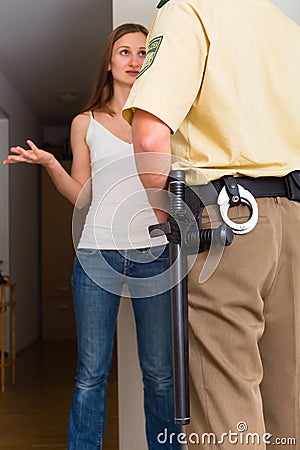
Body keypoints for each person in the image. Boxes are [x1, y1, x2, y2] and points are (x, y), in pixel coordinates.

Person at [123, 1, 300, 448]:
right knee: (289, 406)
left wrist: (166, 218)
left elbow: (149, 135)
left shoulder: (189, 10)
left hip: (229, 223)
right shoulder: (284, 25)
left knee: (226, 414)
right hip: (295, 218)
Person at [3, 23, 182, 450]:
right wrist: (50, 163)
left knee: (159, 374)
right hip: (97, 253)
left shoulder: (164, 120)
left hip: (155, 253)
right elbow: (82, 196)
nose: (134, 61)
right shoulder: (84, 122)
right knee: (91, 374)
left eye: (142, 53)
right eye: (124, 52)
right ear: (108, 61)